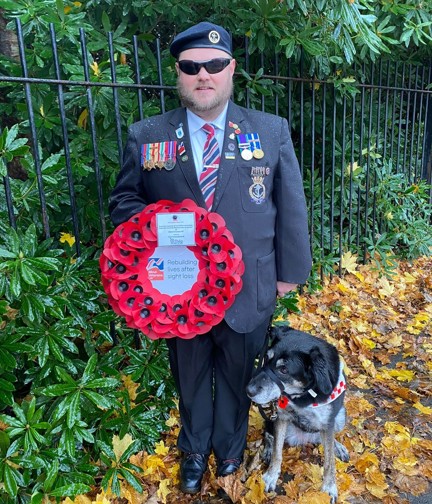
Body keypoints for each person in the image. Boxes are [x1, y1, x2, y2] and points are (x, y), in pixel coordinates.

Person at [108, 21, 312, 494]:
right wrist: (158, 222)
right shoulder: (148, 134)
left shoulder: (269, 130)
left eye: (214, 65)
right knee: (192, 375)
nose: (204, 75)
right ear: (178, 73)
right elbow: (123, 204)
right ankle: (196, 451)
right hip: (178, 289)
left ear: (231, 70)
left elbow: (291, 206)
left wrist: (289, 273)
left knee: (241, 374)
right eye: (192, 66)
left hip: (250, 286)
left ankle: (231, 450)